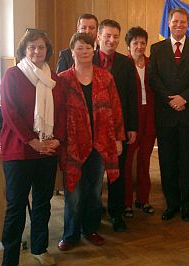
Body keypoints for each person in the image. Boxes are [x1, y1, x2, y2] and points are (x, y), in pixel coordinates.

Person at [0, 28, 66, 266]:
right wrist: (33, 141)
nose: (37, 51)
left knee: (42, 203)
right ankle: (10, 258)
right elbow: (10, 113)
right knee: (16, 207)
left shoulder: (55, 79)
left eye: (41, 47)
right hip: (19, 152)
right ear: (24, 50)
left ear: (47, 50)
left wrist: (57, 138)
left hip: (47, 151)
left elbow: (62, 113)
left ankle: (39, 248)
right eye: (32, 47)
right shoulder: (13, 76)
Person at [57, 32, 125, 251]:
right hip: (74, 145)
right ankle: (71, 234)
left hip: (100, 143)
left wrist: (118, 137)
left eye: (88, 47)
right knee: (73, 191)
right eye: (80, 48)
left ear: (94, 49)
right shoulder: (63, 80)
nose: (84, 51)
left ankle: (91, 229)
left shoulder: (105, 77)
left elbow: (115, 108)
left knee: (94, 191)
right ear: (72, 52)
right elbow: (57, 113)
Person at [148, 7, 189, 222]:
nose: (179, 25)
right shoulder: (157, 49)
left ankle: (187, 206)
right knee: (167, 162)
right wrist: (170, 99)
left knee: (187, 162)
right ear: (169, 23)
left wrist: (184, 98)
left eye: (183, 22)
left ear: (188, 24)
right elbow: (153, 78)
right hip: (166, 116)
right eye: (175, 22)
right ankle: (171, 204)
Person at [94, 19, 138, 232]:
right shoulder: (87, 58)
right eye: (108, 36)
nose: (112, 40)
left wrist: (132, 127)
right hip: (92, 128)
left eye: (115, 37)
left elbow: (131, 97)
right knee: (93, 174)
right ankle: (92, 214)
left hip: (118, 129)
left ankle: (116, 214)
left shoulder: (126, 63)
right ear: (99, 36)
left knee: (117, 174)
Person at [123, 26, 156, 217]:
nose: (139, 46)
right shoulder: (124, 65)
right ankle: (126, 202)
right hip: (131, 119)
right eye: (135, 43)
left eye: (143, 42)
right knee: (127, 163)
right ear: (128, 45)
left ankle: (143, 199)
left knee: (145, 160)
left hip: (150, 117)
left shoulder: (152, 64)